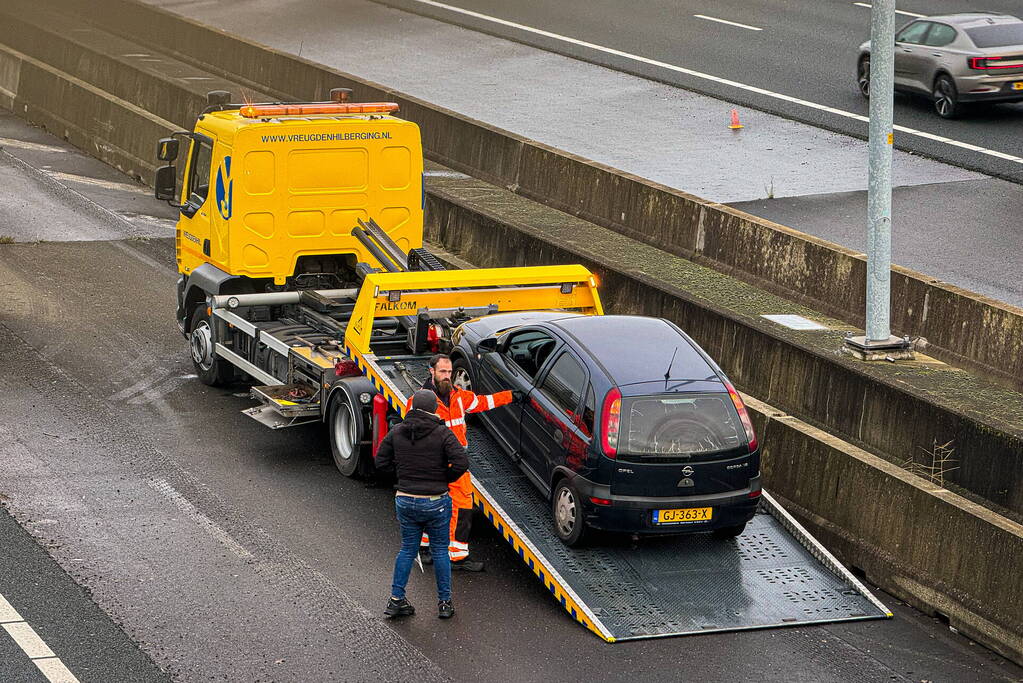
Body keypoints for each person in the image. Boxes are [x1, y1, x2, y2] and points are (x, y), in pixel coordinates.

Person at [412, 354, 517, 572]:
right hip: (436, 463)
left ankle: (452, 553)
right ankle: (435, 550)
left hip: (456, 463)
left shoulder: (459, 396)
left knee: (458, 506)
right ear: (431, 371)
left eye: (450, 372)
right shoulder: (420, 401)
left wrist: (511, 396)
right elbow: (412, 433)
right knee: (436, 505)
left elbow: (483, 402)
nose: (447, 376)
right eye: (442, 372)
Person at [376, 389, 469, 619]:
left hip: (405, 500)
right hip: (436, 501)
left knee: (407, 549)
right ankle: (444, 603)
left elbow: (380, 462)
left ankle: (396, 600)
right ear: (434, 409)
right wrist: (444, 479)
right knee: (440, 551)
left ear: (412, 408)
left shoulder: (397, 431)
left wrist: (401, 477)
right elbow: (461, 462)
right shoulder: (442, 433)